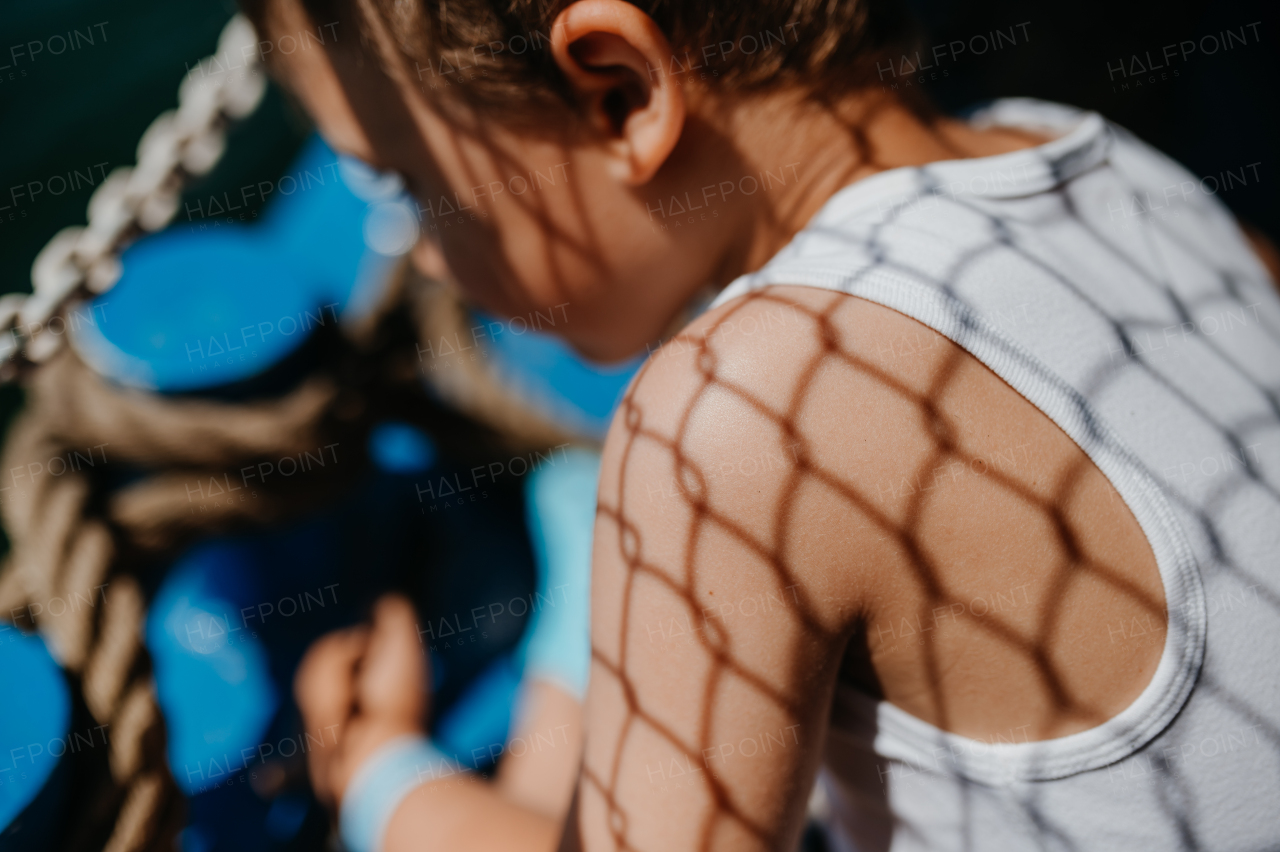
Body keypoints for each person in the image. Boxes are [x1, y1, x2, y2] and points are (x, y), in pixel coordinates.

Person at [241, 0, 1280, 849]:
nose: (418, 255)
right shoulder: (1086, 152)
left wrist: (380, 777)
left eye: (402, 185)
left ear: (617, 93)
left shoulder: (732, 416)